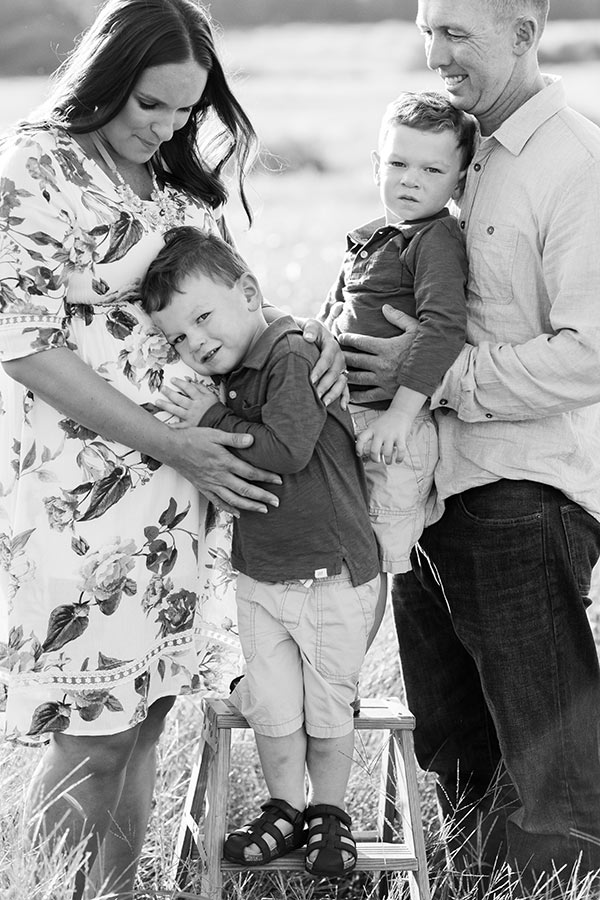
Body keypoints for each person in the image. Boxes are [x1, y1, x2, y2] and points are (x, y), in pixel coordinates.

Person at [0, 1, 345, 897]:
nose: (167, 126)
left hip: (182, 504)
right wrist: (172, 443)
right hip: (86, 496)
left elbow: (238, 305)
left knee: (148, 718)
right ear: (107, 77)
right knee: (94, 733)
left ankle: (113, 893)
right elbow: (23, 341)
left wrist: (318, 349)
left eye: (186, 111)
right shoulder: (39, 163)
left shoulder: (176, 184)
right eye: (151, 104)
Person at [336, 0, 600, 888]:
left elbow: (592, 353)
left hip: (522, 496)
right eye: (426, 30)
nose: (435, 51)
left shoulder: (576, 160)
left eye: (458, 32)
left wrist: (431, 376)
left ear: (524, 35)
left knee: (554, 779)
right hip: (427, 492)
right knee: (453, 762)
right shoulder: (457, 149)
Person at [140, 226, 381, 878]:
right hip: (264, 574)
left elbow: (286, 450)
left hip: (331, 570)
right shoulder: (241, 364)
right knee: (273, 704)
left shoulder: (290, 356)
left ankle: (329, 812)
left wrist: (208, 422)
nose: (196, 344)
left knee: (327, 703)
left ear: (249, 292)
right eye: (178, 339)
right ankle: (283, 807)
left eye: (203, 318)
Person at [318, 91, 474, 592]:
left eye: (432, 170)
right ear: (376, 165)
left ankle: (345, 656)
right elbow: (331, 309)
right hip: (348, 414)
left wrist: (402, 415)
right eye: (398, 162)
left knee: (377, 556)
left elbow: (442, 328)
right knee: (343, 545)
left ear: (459, 179)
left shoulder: (434, 241)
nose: (410, 179)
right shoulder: (370, 236)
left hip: (396, 425)